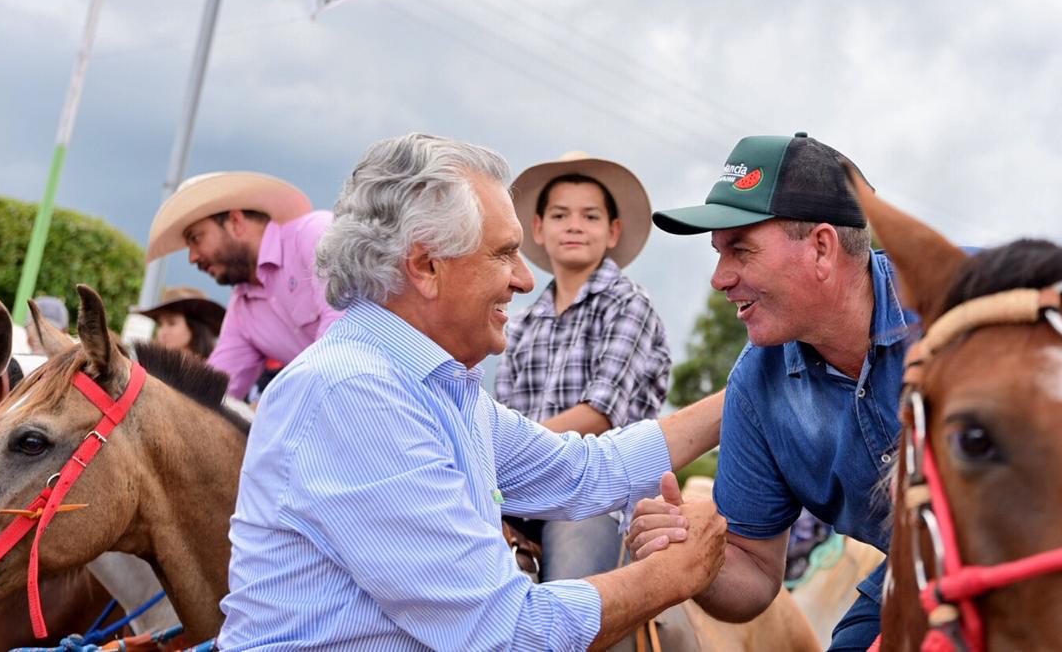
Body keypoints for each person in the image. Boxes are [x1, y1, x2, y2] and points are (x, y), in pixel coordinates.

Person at [219, 133, 728, 651]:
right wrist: (672, 575)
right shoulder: (354, 395)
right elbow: (506, 634)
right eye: (505, 254)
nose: (524, 279)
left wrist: (736, 402)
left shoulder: (433, 385)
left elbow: (584, 468)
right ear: (425, 266)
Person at [626, 132, 914, 651]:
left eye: (740, 249)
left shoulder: (970, 296)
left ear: (822, 248)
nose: (719, 278)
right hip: (921, 570)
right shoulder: (755, 389)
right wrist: (696, 558)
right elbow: (754, 574)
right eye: (719, 253)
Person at [498, 151, 673, 585]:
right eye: (560, 215)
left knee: (571, 600)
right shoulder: (520, 323)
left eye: (590, 216)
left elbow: (600, 414)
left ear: (612, 231)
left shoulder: (629, 304)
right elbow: (500, 417)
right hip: (519, 492)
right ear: (538, 228)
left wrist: (505, 452)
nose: (574, 225)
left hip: (596, 496)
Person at [145, 171, 342, 400]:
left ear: (236, 223)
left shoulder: (314, 234)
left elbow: (343, 332)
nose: (192, 257)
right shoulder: (242, 311)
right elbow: (210, 392)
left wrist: (277, 404)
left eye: (196, 238)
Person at [131, 286, 226, 359]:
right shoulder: (151, 371)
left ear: (194, 328)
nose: (162, 333)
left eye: (171, 323)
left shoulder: (216, 371)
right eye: (160, 325)